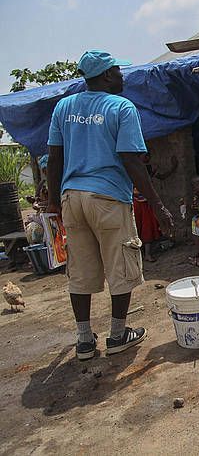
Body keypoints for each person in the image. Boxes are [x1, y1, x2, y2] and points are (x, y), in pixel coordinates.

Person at [46, 50, 174, 361]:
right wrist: (158, 205)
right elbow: (131, 159)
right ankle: (118, 334)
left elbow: (54, 159)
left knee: (80, 269)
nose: (121, 76)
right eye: (117, 71)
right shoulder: (121, 107)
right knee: (121, 265)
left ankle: (84, 340)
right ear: (105, 75)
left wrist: (53, 203)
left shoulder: (64, 107)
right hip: (107, 198)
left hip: (72, 198)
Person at [133, 153, 178, 262]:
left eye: (149, 154)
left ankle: (147, 254)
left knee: (147, 227)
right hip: (136, 202)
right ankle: (141, 254)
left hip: (147, 202)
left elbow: (162, 177)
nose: (148, 157)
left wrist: (173, 167)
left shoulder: (149, 169)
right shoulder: (132, 168)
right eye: (145, 154)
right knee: (137, 227)